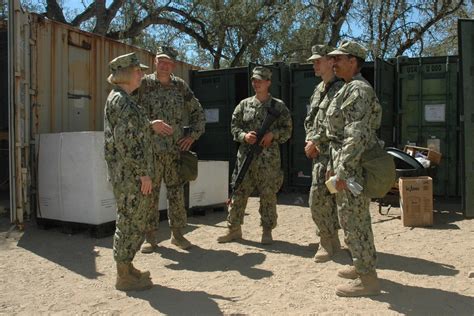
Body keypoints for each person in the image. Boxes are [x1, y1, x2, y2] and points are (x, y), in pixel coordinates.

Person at [325, 41, 382, 297]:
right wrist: (333, 165)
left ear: (353, 61)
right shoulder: (347, 87)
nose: (334, 62)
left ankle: (367, 279)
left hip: (353, 166)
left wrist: (343, 171)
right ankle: (361, 266)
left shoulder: (357, 89)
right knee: (353, 219)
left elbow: (355, 135)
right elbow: (337, 134)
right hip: (346, 162)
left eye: (339, 58)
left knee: (354, 220)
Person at [136, 46, 205, 251]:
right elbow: (130, 116)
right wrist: (150, 125)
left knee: (176, 193)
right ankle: (150, 238)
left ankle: (177, 235)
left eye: (168, 62)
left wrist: (192, 136)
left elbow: (198, 113)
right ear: (154, 61)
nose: (164, 66)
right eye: (161, 61)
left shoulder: (180, 86)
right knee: (150, 194)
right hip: (151, 152)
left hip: (175, 152)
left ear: (173, 65)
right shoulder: (144, 84)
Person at [217, 66, 292, 244]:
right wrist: (244, 136)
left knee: (268, 195)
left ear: (268, 83)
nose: (256, 83)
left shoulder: (278, 106)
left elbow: (288, 129)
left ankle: (267, 231)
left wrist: (272, 135)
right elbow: (234, 127)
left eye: (260, 80)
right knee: (238, 192)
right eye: (254, 80)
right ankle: (234, 229)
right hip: (246, 157)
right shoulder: (244, 105)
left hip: (269, 159)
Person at [104, 52, 155, 291]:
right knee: (129, 221)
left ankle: (127, 266)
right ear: (125, 74)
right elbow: (125, 141)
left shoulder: (122, 99)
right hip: (130, 176)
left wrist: (148, 125)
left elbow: (133, 133)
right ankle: (123, 275)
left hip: (128, 174)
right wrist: (142, 172)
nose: (142, 75)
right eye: (138, 71)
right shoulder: (121, 101)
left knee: (133, 219)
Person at [304, 45, 344, 263]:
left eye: (318, 60)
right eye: (313, 61)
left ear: (331, 61)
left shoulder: (341, 88)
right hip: (319, 155)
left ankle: (327, 241)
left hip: (335, 154)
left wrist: (316, 141)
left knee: (321, 198)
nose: (314, 64)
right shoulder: (319, 89)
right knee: (322, 198)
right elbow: (310, 118)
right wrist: (309, 140)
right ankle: (330, 241)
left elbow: (338, 124)